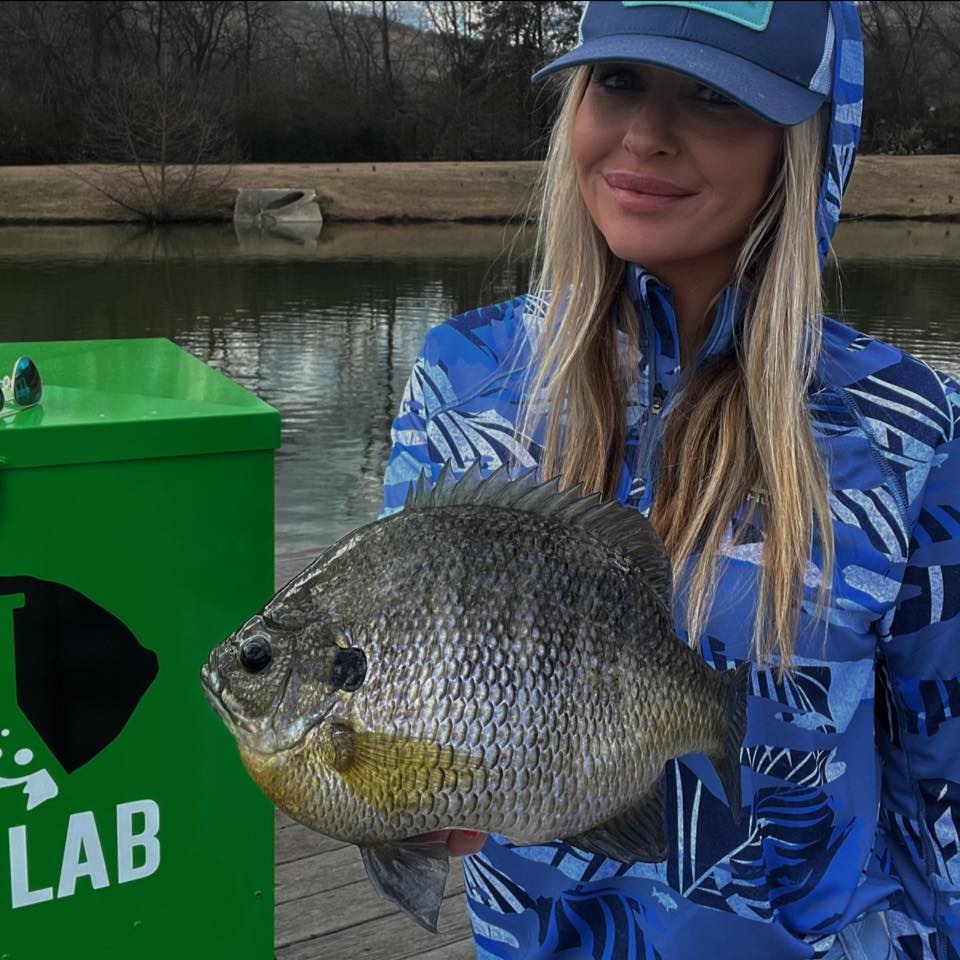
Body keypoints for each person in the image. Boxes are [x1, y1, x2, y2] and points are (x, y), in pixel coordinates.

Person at [379, 2, 960, 958]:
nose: (646, 134)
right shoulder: (458, 377)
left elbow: (940, 782)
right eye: (618, 83)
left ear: (804, 146)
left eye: (713, 96)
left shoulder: (909, 427)